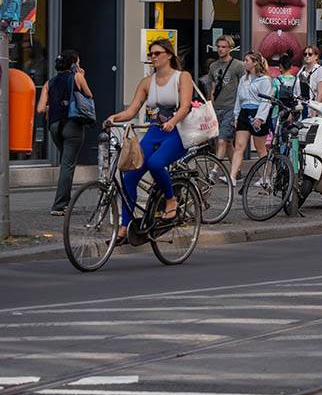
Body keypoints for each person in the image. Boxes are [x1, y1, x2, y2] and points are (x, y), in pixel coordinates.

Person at [103, 39, 193, 245]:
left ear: (169, 55)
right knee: (129, 177)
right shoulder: (147, 82)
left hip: (176, 133)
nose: (153, 57)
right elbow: (132, 110)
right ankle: (125, 227)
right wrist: (114, 118)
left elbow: (185, 106)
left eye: (157, 53)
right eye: (150, 54)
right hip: (154, 132)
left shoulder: (182, 77)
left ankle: (171, 200)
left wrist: (172, 121)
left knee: (155, 163)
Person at [37, 49, 93, 216]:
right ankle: (59, 205)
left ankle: (64, 202)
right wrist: (82, 76)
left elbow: (40, 108)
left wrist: (51, 106)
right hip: (72, 124)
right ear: (75, 64)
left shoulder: (49, 83)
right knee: (67, 165)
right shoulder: (77, 77)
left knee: (66, 163)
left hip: (54, 126)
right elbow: (89, 95)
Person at [229, 52, 273, 183]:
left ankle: (265, 177)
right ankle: (232, 176)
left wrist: (260, 118)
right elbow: (238, 98)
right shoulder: (244, 79)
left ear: (254, 63)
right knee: (239, 146)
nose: (244, 63)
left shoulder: (265, 80)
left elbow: (266, 101)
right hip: (244, 111)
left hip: (257, 111)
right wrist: (236, 115)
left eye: (247, 60)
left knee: (260, 147)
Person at [205, 35, 245, 161]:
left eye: (224, 47)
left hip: (231, 107)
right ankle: (235, 170)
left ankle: (214, 172)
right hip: (216, 107)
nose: (220, 49)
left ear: (230, 48)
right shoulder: (213, 66)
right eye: (218, 47)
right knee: (225, 142)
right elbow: (211, 86)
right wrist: (210, 106)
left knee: (222, 140)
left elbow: (244, 85)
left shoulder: (238, 65)